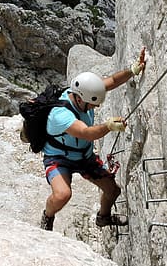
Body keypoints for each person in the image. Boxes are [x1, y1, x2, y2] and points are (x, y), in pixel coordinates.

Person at [40, 48, 146, 231]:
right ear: (81, 99)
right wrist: (108, 126)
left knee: (113, 190)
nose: (96, 106)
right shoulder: (60, 115)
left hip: (84, 156)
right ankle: (47, 216)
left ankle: (103, 218)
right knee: (62, 195)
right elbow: (86, 133)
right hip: (59, 159)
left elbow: (112, 81)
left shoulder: (86, 92)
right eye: (93, 104)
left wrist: (132, 70)